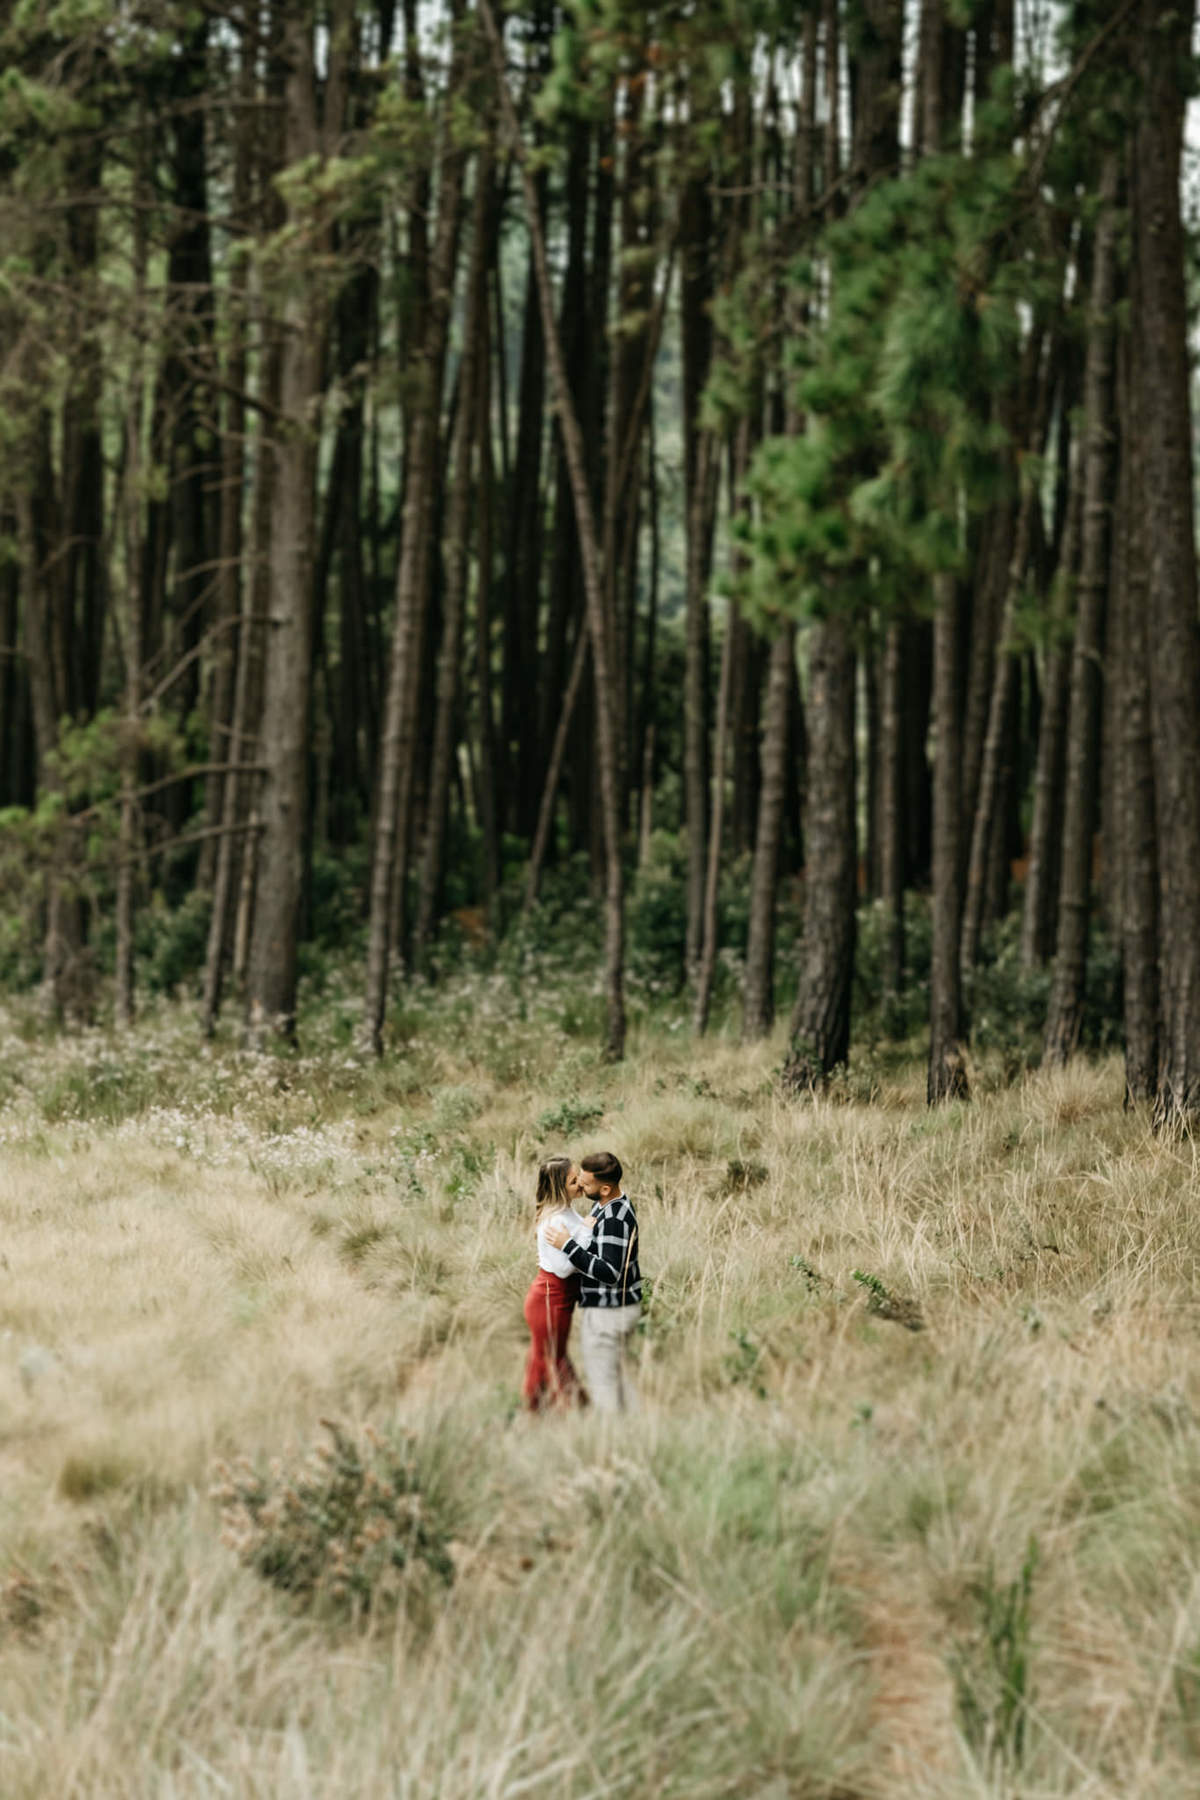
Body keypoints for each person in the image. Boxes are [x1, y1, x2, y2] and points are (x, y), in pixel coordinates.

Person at [541, 1150, 642, 1413]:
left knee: (604, 1385)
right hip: (612, 1309)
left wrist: (568, 1246)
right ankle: (635, 1436)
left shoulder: (614, 1219)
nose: (581, 1187)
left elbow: (610, 1273)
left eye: (586, 1184)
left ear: (606, 1188)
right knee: (619, 1380)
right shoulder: (604, 1204)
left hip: (610, 1312)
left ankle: (608, 1447)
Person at [522, 1155, 590, 1412]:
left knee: (545, 1356)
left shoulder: (567, 1211)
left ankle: (535, 1411)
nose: (580, 1184)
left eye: (579, 1177)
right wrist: (584, 1232)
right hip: (550, 1298)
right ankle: (576, 1408)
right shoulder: (553, 1221)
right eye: (574, 1181)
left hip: (557, 1298)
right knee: (552, 1358)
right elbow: (563, 1269)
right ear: (560, 1188)